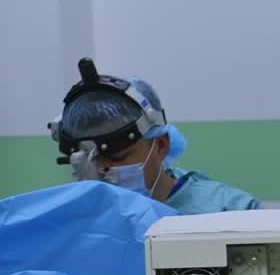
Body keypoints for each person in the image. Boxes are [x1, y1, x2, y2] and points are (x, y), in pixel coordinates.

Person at [51, 60, 260, 213]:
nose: (100, 171)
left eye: (117, 158)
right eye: (89, 160)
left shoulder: (231, 211)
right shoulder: (75, 219)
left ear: (160, 145)